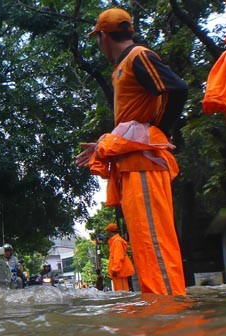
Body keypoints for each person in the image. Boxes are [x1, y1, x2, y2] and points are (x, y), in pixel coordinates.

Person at [75, 8, 187, 296]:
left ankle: (169, 318)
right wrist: (105, 144)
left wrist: (155, 132)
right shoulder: (123, 65)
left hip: (144, 166)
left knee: (154, 243)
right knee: (145, 245)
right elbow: (132, 122)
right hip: (132, 166)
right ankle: (158, 314)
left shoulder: (139, 56)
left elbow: (176, 89)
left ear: (103, 35)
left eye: (98, 38)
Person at [105, 222, 135, 291]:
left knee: (123, 294)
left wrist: (115, 270)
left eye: (107, 231)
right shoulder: (116, 241)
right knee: (121, 294)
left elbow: (118, 257)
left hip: (120, 273)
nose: (107, 233)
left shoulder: (117, 242)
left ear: (110, 232)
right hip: (119, 273)